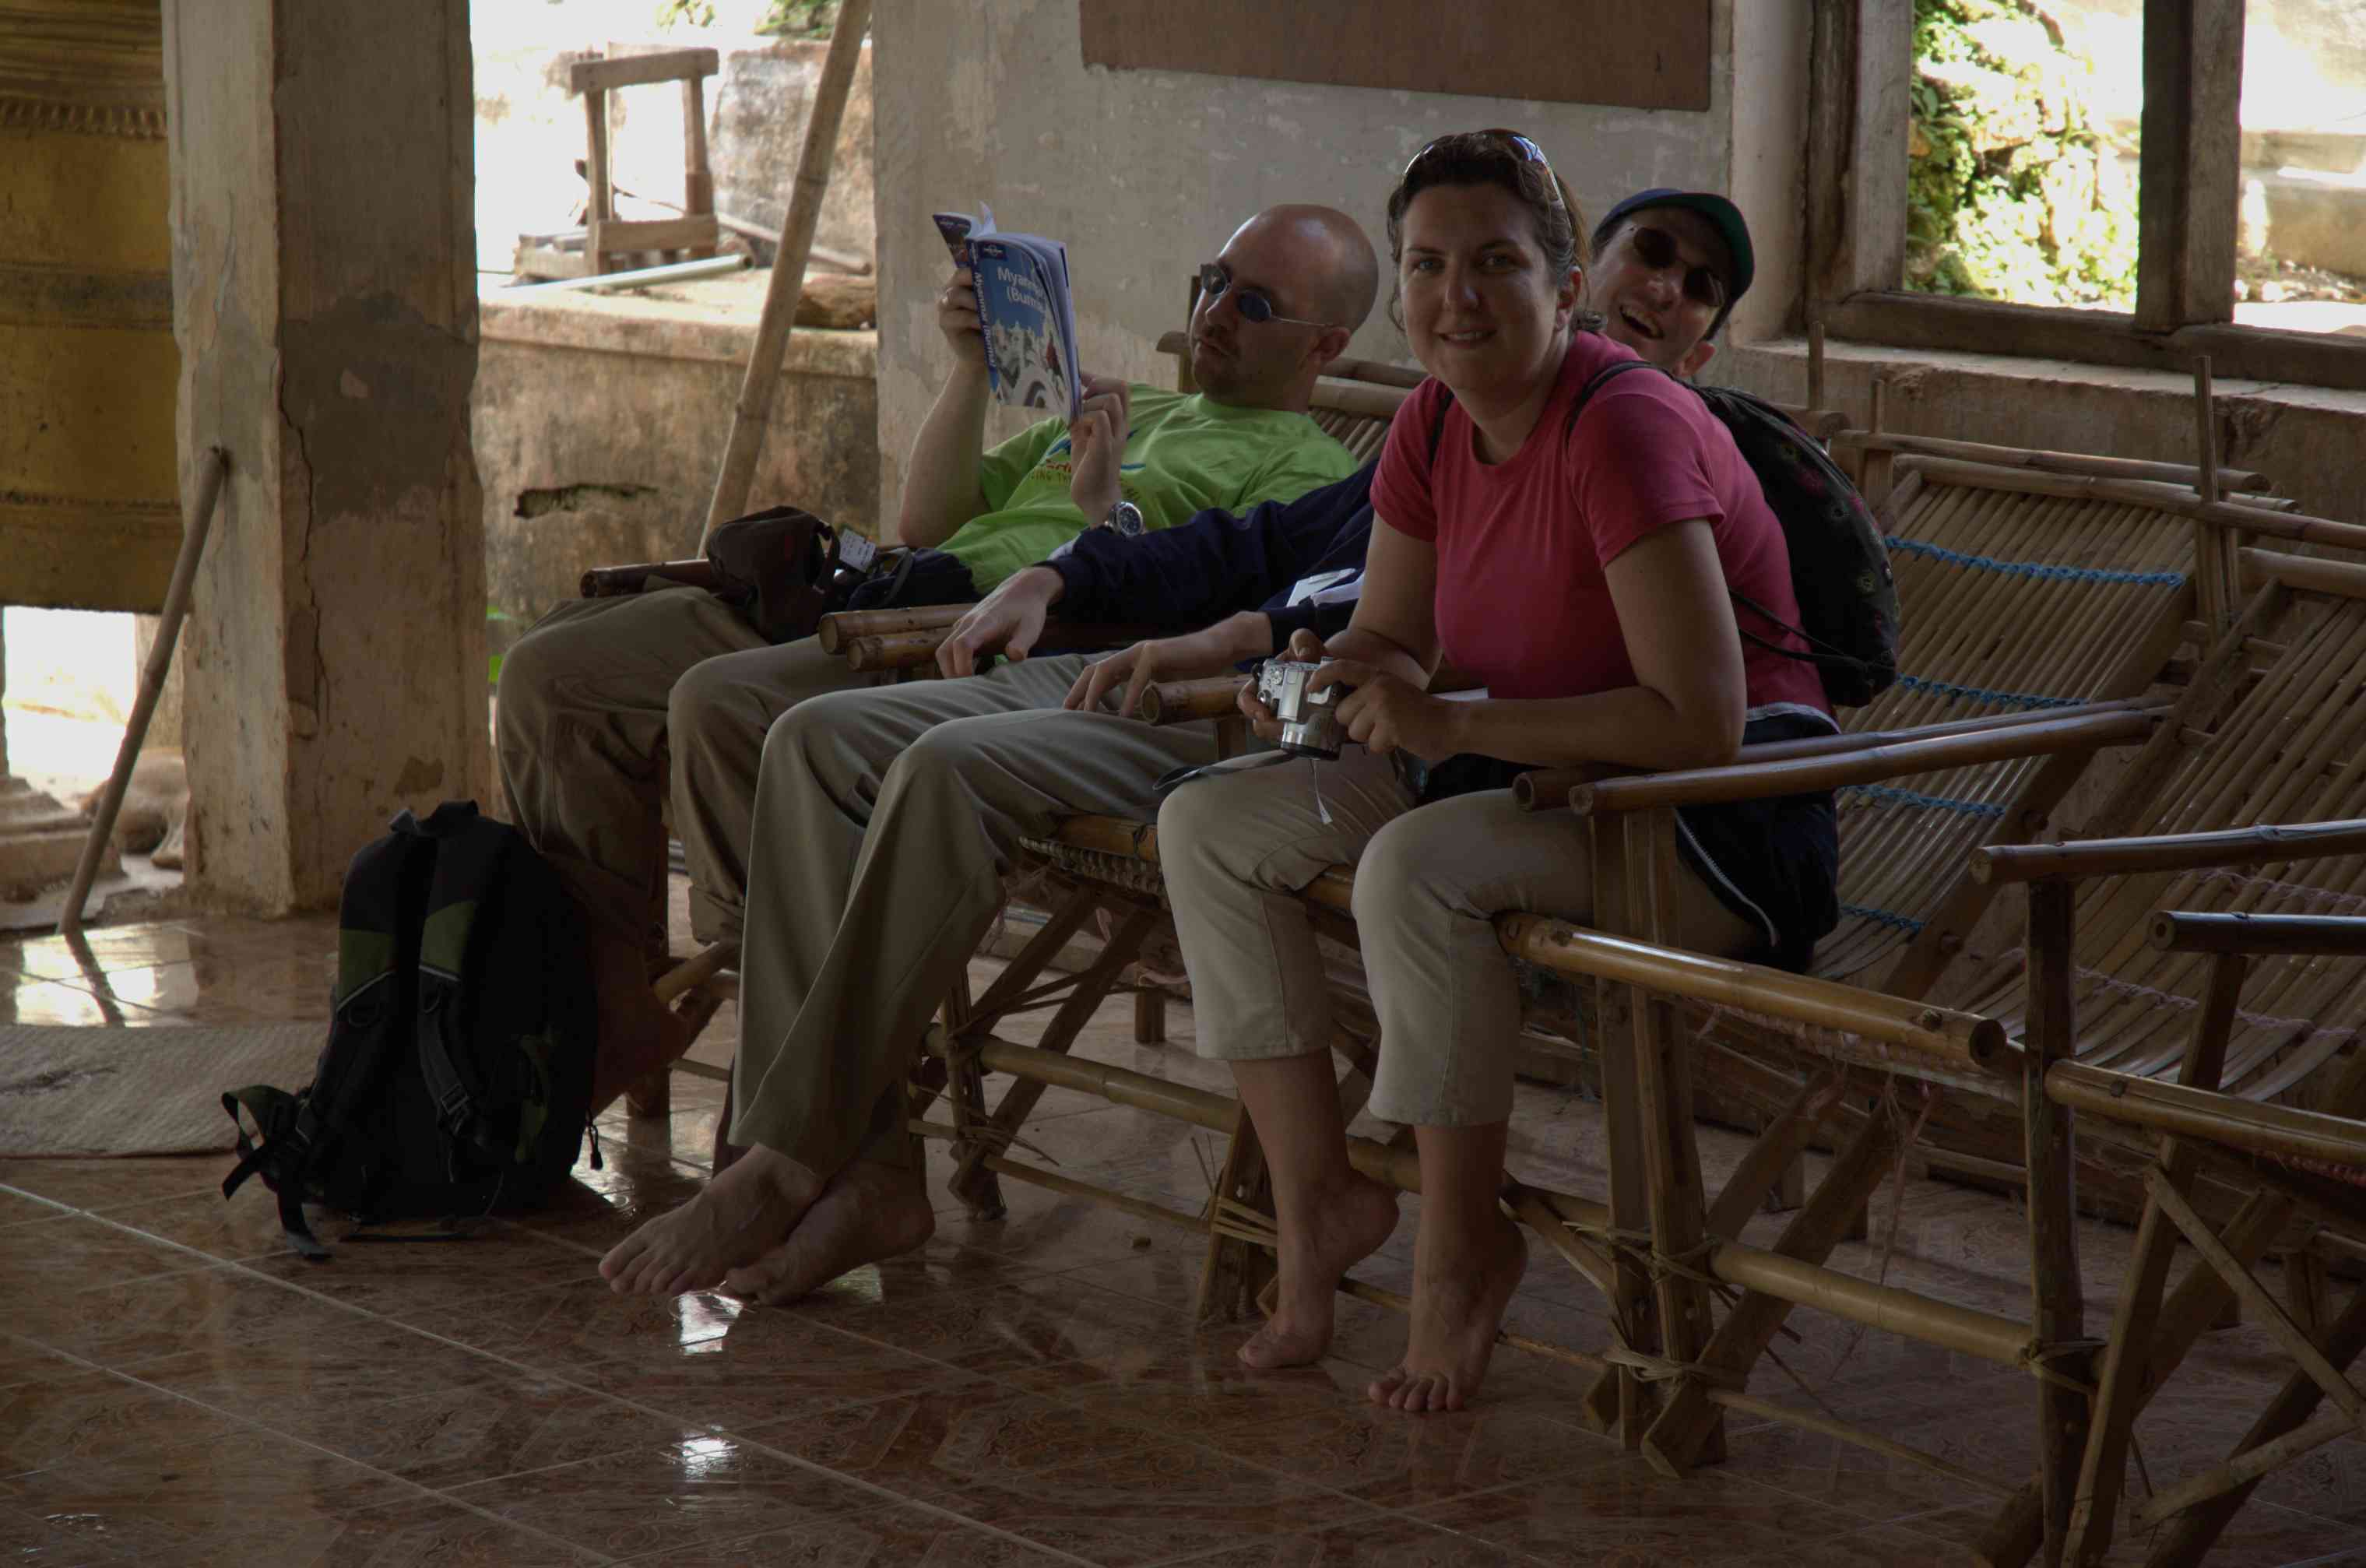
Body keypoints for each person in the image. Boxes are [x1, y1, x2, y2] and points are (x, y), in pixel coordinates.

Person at [593, 178, 1767, 1303]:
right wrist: (1073, 569)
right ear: (1585, 274)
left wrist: (1225, 641)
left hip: (1319, 737)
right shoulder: (1444, 428)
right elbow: (1284, 569)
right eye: (1649, 255)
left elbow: (1544, 665)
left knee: (936, 767)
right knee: (804, 735)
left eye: (1698, 285)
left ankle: (791, 1159)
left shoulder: (1633, 439)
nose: (1662, 289)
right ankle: (836, 1160)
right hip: (1214, 683)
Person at [1148, 132, 1839, 1413]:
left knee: (1417, 867)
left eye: (1494, 264)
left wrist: (1444, 716)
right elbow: (1390, 637)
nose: (1453, 296)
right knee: (1207, 826)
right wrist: (1317, 669)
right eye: (1425, 265)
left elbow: (1698, 721)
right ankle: (1316, 1201)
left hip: (1713, 824)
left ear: (1563, 287)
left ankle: (1462, 1248)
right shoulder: (1431, 419)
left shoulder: (1621, 424)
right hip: (1528, 780)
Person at [494, 203, 1377, 1111]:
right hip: (877, 591)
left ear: (1326, 345)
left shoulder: (1309, 470)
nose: (1217, 312)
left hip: (974, 638)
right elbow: (928, 522)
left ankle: (792, 1030)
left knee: (721, 703)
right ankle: (611, 997)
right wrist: (970, 372)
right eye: (1215, 283)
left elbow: (1210, 615)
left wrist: (1102, 509)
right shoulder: (1132, 406)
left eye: (1255, 305)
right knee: (550, 675)